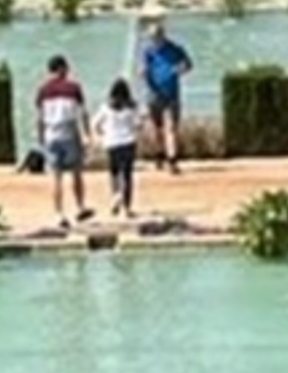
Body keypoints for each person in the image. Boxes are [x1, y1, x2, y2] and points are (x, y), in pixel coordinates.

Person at [35, 55, 93, 230]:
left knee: (56, 177)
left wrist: (40, 137)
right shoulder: (73, 88)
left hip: (51, 134)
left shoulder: (43, 91)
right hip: (69, 132)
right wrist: (87, 134)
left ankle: (59, 213)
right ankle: (80, 207)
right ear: (61, 68)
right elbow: (83, 113)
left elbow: (39, 118)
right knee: (76, 172)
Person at [140, 20, 194, 175]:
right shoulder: (148, 51)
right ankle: (159, 154)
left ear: (163, 35)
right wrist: (144, 73)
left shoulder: (175, 49)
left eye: (157, 36)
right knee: (157, 128)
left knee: (171, 128)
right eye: (152, 37)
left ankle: (172, 160)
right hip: (154, 93)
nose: (154, 39)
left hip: (171, 93)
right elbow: (144, 69)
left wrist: (180, 69)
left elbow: (188, 64)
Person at [95, 80, 142, 219]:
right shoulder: (132, 108)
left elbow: (95, 124)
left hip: (112, 143)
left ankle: (115, 196)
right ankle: (127, 207)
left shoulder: (106, 107)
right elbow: (138, 124)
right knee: (127, 175)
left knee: (114, 172)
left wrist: (103, 133)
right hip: (128, 142)